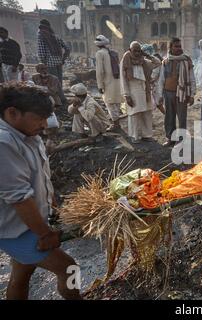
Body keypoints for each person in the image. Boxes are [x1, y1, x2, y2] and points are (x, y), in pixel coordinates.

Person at [0, 82, 82, 300]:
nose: (45, 124)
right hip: (16, 229)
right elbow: (19, 198)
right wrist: (45, 234)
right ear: (12, 113)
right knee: (69, 268)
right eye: (39, 118)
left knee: (21, 274)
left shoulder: (28, 134)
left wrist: (53, 209)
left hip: (30, 223)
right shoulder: (4, 142)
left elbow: (41, 178)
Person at [157, 37, 196, 147]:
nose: (179, 48)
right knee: (169, 117)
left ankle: (181, 140)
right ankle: (170, 139)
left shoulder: (186, 60)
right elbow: (161, 79)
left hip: (182, 94)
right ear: (171, 47)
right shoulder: (165, 61)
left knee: (182, 118)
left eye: (180, 46)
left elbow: (192, 78)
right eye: (176, 46)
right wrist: (159, 95)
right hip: (168, 93)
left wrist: (192, 94)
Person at [120, 41, 161, 143]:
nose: (137, 53)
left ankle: (147, 135)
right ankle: (134, 136)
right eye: (135, 51)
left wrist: (147, 55)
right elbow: (123, 80)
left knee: (147, 113)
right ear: (130, 50)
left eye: (139, 51)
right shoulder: (125, 61)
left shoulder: (143, 61)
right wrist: (126, 95)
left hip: (145, 90)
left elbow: (158, 63)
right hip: (133, 90)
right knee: (134, 114)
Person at [95, 35, 123, 131]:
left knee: (109, 103)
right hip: (117, 81)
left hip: (108, 81)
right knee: (116, 102)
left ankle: (115, 124)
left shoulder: (99, 53)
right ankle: (116, 122)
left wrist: (100, 85)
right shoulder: (113, 53)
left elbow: (99, 71)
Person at [37, 19, 70, 86]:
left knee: (52, 85)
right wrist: (63, 59)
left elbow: (41, 52)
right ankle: (60, 95)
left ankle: (58, 96)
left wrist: (43, 64)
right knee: (59, 84)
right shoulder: (56, 36)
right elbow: (67, 49)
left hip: (49, 64)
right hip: (59, 62)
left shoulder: (41, 35)